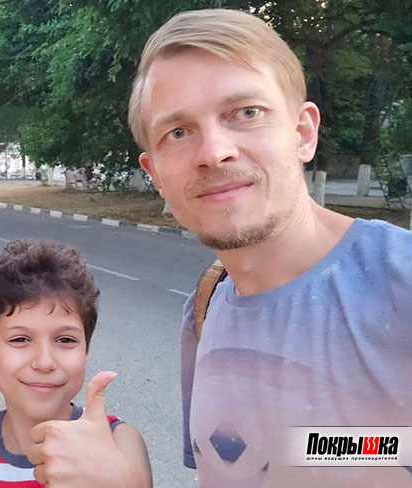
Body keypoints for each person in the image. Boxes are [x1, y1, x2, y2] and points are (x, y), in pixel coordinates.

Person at [127, 9, 412, 487]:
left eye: (246, 112)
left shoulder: (401, 283)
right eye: (178, 132)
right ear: (155, 173)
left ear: (302, 133)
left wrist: (314, 447)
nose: (214, 152)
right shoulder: (203, 311)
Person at [0, 239, 153, 488]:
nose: (44, 362)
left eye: (65, 340)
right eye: (20, 339)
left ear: (86, 349)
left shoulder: (119, 444)